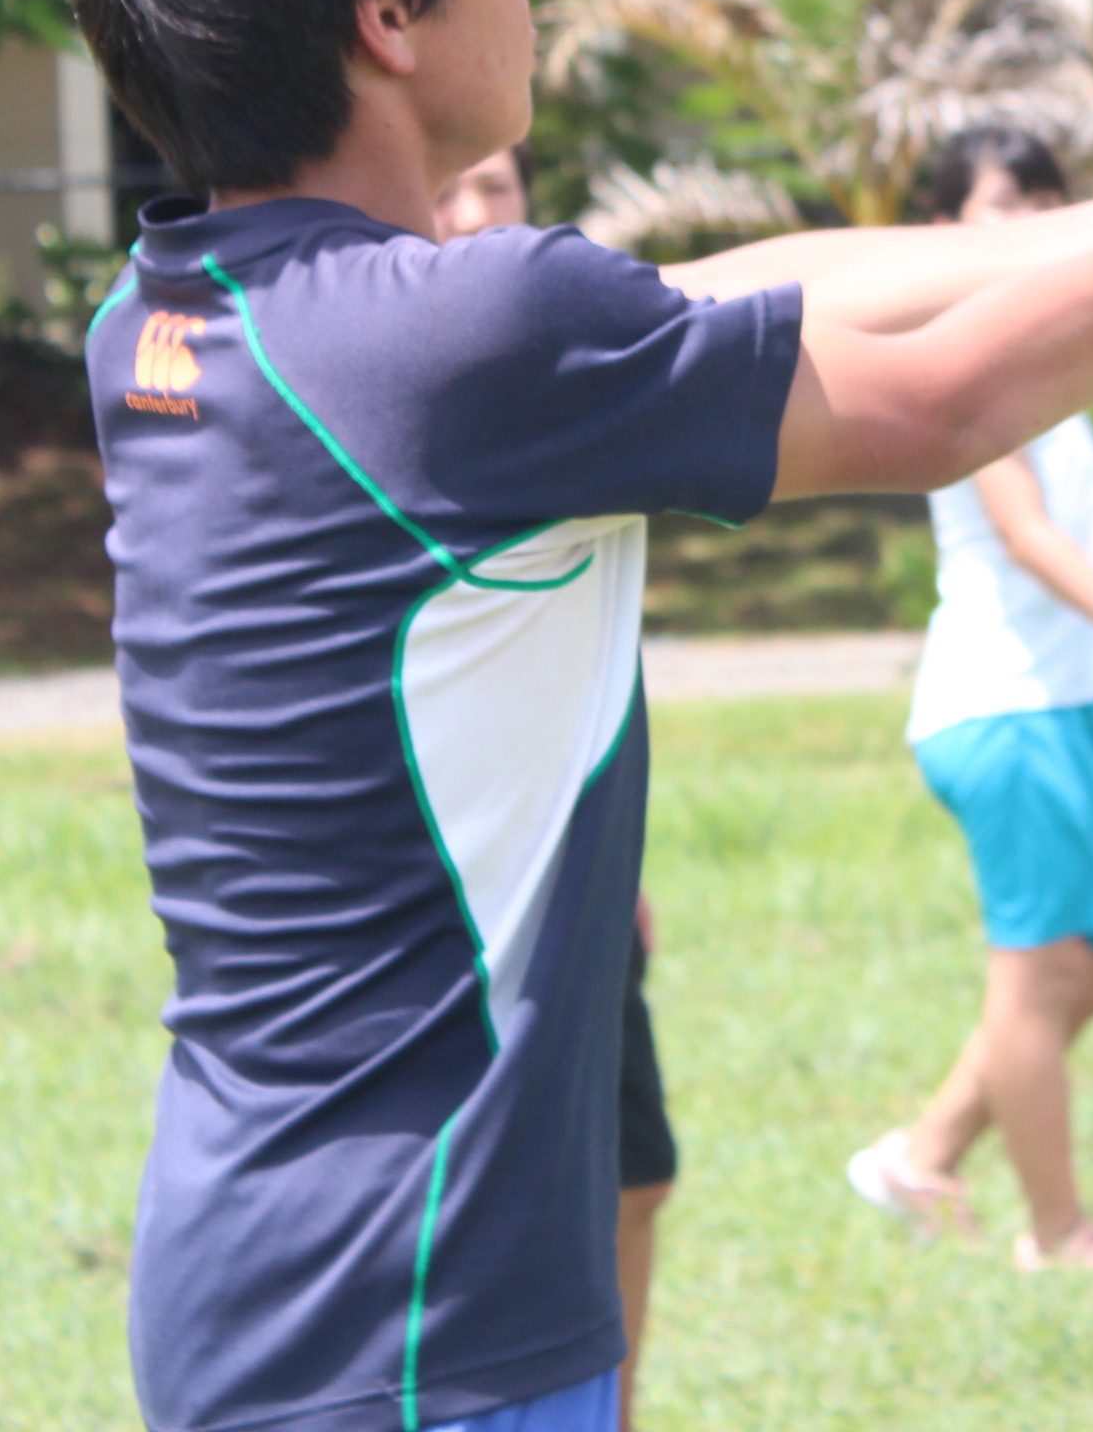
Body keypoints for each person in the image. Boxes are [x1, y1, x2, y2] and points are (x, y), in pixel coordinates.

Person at [59, 0, 1093, 1432]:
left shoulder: (171, 322)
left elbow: (728, 297)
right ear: (386, 12)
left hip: (272, 1290)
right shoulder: (460, 343)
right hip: (414, 1320)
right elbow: (934, 404)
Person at [844, 127, 1093, 1281]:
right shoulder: (964, 361)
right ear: (942, 231)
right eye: (1002, 203)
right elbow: (1023, 536)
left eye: (1045, 200)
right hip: (1005, 704)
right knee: (1035, 980)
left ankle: (921, 1160)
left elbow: (1082, 541)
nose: (1028, 224)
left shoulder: (1043, 360)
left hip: (1071, 702)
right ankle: (1062, 1235)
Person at [432, 142, 674, 1432]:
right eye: (452, 189)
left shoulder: (554, 364)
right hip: (467, 909)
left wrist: (620, 860)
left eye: (501, 189)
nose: (478, 213)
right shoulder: (414, 386)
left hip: (573, 873)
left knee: (639, 1172)